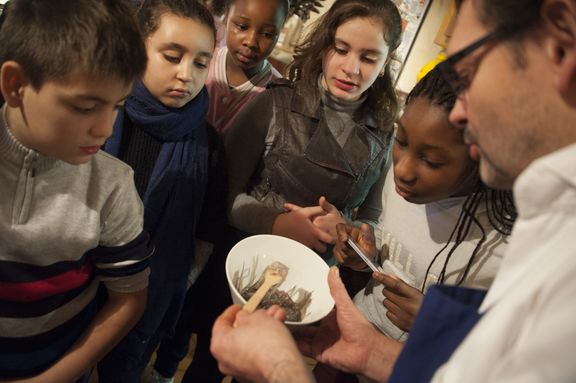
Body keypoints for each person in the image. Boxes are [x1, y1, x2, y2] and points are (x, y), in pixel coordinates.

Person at [210, 0, 576, 381]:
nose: (459, 115)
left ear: (561, 46)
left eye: (469, 75)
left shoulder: (551, 254)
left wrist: (280, 368)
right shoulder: (276, 104)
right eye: (402, 142)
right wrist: (373, 353)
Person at [311, 66, 516, 382]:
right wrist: (367, 250)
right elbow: (387, 232)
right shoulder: (399, 181)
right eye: (401, 140)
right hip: (351, 341)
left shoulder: (512, 238)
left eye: (432, 161)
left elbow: (515, 348)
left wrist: (439, 327)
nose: (403, 169)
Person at [0, 0, 152, 381]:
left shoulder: (111, 186)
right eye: (86, 107)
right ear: (15, 85)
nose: (106, 129)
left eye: (117, 106)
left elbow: (128, 298)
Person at [95, 1, 219, 382]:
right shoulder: (99, 113)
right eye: (172, 56)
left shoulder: (209, 144)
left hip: (147, 300)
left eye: (201, 63)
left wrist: (175, 282)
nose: (187, 74)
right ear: (138, 47)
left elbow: (205, 232)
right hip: (73, 288)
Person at [225, 0, 402, 254]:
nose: (351, 69)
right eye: (341, 50)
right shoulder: (275, 103)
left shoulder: (385, 136)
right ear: (324, 44)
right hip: (242, 255)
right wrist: (277, 222)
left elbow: (372, 218)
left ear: (386, 62)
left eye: (368, 58)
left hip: (315, 275)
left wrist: (348, 229)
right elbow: (224, 191)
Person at [206, 0, 288, 136]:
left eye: (267, 34)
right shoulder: (203, 62)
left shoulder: (277, 93)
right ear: (226, 17)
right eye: (242, 27)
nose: (250, 42)